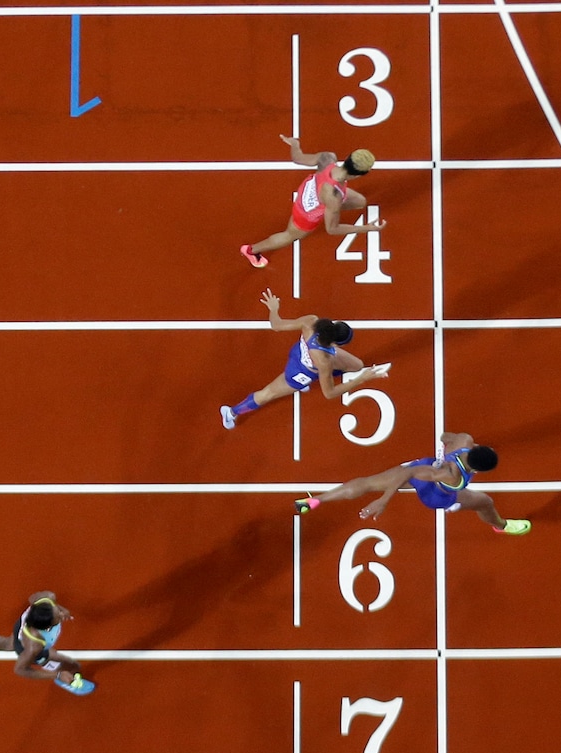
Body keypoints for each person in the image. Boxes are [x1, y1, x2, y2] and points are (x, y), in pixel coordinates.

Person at [294, 431, 532, 535]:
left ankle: (315, 500)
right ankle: (500, 526)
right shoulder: (453, 475)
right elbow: (410, 474)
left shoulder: (464, 440)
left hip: (428, 466)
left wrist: (445, 450)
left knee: (366, 482)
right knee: (485, 502)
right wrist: (384, 500)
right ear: (479, 469)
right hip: (435, 493)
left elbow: (444, 437)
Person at [220, 288, 390, 429]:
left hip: (301, 351)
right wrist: (361, 380)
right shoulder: (325, 361)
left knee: (356, 365)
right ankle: (232, 412)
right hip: (300, 372)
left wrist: (273, 309)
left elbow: (276, 325)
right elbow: (329, 393)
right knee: (267, 394)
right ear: (333, 342)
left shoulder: (311, 322)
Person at [240, 134, 386, 268]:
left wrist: (294, 145)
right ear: (357, 176)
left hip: (313, 189)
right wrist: (365, 228)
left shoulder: (327, 158)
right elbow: (332, 229)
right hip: (306, 213)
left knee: (360, 201)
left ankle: (328, 210)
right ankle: (251, 250)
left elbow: (298, 158)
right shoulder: (333, 197)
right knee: (289, 235)